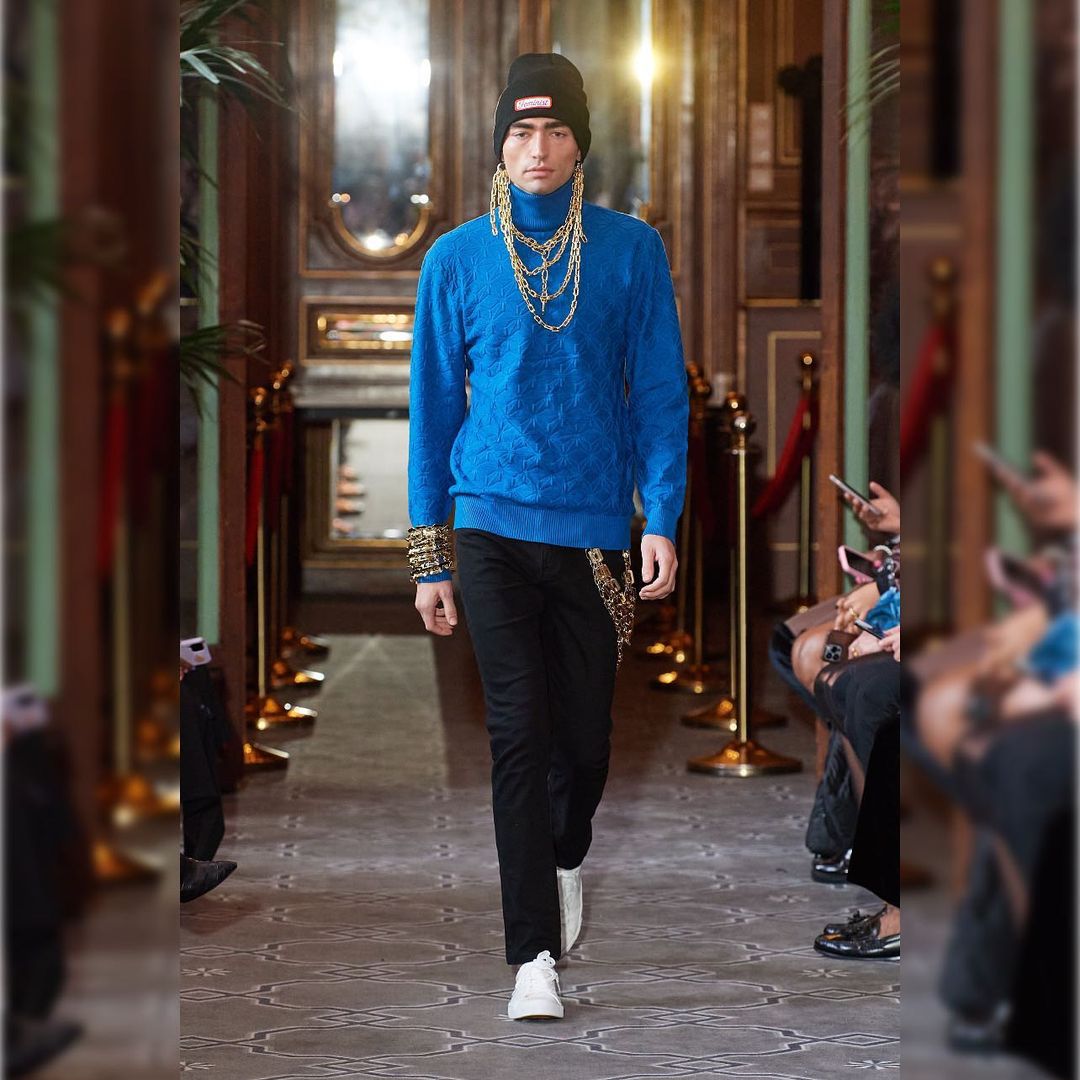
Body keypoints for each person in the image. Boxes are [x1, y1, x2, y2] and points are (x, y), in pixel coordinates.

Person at [406, 52, 688, 1020]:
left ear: (580, 145)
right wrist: (431, 555)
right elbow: (434, 412)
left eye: (557, 130)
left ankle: (566, 857)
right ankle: (532, 957)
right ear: (500, 145)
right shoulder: (454, 259)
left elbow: (659, 394)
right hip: (489, 522)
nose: (539, 148)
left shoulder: (630, 250)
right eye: (522, 132)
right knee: (518, 737)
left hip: (597, 532)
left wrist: (662, 515)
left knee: (587, 745)